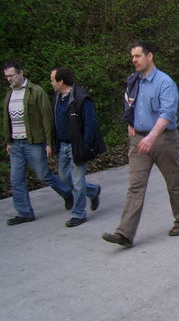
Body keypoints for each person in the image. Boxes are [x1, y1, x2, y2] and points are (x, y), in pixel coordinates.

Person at [102, 41, 179, 247]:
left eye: (138, 56)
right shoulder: (133, 81)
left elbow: (167, 113)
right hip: (138, 141)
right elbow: (129, 104)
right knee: (135, 186)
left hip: (162, 140)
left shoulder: (165, 82)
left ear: (150, 56)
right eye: (132, 56)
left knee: (174, 182)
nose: (134, 60)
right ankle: (124, 233)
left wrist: (151, 136)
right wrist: (130, 124)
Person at [3, 60, 73, 226]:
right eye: (6, 76)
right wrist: (9, 141)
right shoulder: (9, 94)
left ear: (21, 73)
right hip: (16, 143)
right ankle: (25, 212)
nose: (9, 79)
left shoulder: (36, 91)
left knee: (44, 175)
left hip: (33, 142)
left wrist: (49, 142)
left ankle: (67, 193)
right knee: (16, 179)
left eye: (12, 75)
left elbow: (47, 118)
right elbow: (7, 119)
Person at [50, 67, 104, 227]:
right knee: (65, 178)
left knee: (77, 181)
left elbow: (91, 123)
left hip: (77, 146)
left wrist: (85, 145)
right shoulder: (58, 97)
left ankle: (79, 214)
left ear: (61, 81)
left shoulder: (81, 98)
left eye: (52, 80)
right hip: (64, 145)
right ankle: (93, 191)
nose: (51, 83)